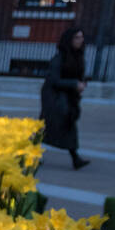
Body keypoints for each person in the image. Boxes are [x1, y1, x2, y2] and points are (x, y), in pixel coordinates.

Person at [40, 26, 90, 170]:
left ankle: (75, 158)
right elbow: (54, 80)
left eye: (81, 37)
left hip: (68, 98)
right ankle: (75, 158)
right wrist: (75, 84)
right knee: (51, 127)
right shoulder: (59, 58)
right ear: (69, 40)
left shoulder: (79, 57)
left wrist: (80, 84)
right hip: (54, 98)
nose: (81, 40)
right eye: (77, 37)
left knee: (61, 127)